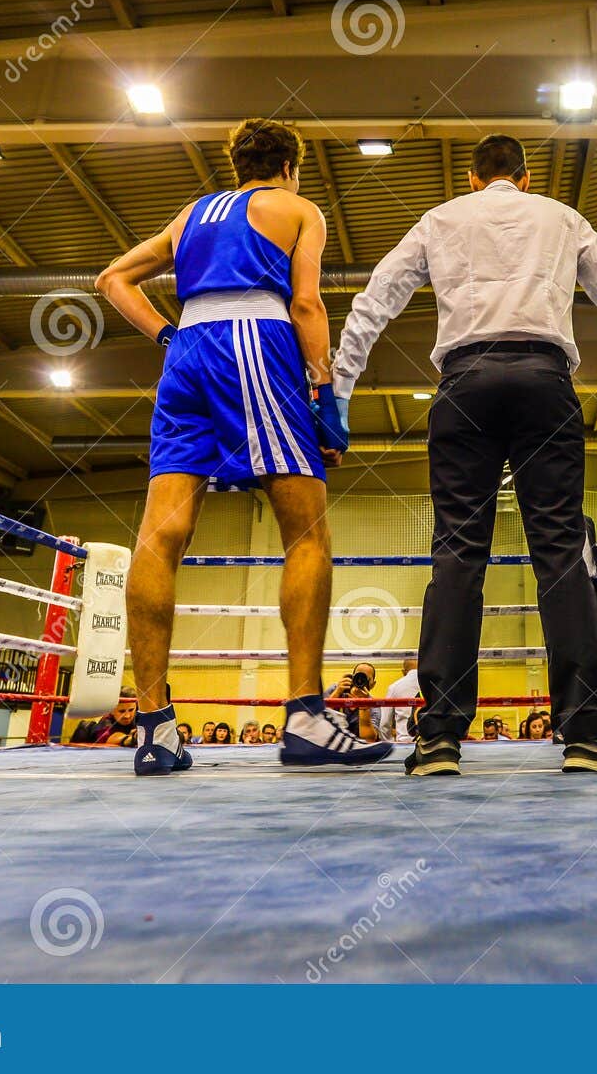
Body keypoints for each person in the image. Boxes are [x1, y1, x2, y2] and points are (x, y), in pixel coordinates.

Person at [333, 134, 597, 776]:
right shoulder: (562, 218)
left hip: (465, 384)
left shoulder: (441, 219)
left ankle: (439, 738)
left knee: (457, 551)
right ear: (526, 174)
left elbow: (376, 299)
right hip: (545, 381)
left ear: (471, 175)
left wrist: (340, 391)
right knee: (562, 550)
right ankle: (586, 736)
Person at [97, 117, 389, 775]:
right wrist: (326, 395)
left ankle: (154, 729)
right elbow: (307, 305)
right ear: (290, 167)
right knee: (306, 531)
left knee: (160, 537)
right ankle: (307, 718)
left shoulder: (191, 215)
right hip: (255, 342)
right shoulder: (297, 208)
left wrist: (169, 337)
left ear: (238, 166)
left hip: (187, 353)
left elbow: (112, 279)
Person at [375, 657, 422, 742]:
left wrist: (389, 742)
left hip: (404, 742)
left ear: (403, 672)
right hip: (430, 743)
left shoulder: (395, 687)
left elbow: (384, 723)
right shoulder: (434, 684)